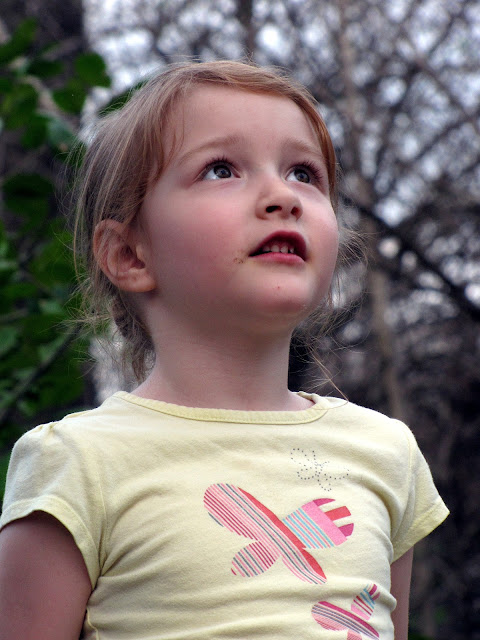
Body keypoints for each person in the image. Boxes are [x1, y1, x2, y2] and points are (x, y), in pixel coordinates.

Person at [0, 61, 448, 640]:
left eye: (304, 173)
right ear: (130, 255)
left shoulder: (385, 451)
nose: (283, 196)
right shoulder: (79, 463)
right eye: (221, 169)